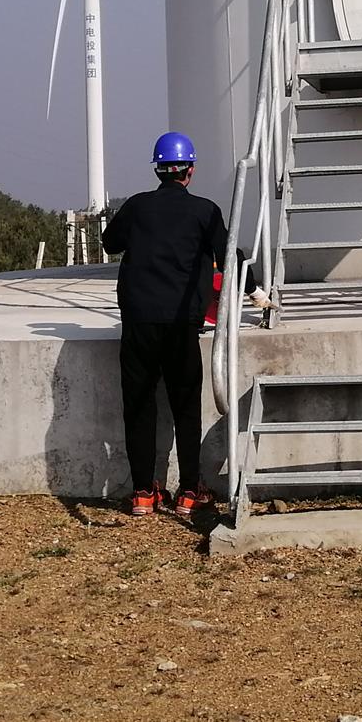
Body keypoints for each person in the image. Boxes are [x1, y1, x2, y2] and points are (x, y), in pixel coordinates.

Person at [102, 131, 226, 517]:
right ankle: (189, 492)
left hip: (138, 321)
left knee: (138, 405)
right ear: (189, 170)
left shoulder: (138, 206)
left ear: (158, 169)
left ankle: (142, 492)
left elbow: (110, 243)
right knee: (186, 405)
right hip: (181, 324)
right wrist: (255, 290)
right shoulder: (205, 211)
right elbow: (228, 252)